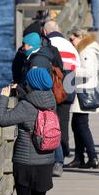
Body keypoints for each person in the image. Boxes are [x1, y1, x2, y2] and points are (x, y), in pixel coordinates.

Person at [0, 69, 58, 195]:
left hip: (25, 161)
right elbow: (33, 98)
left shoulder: (25, 106)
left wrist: (4, 98)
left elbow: (2, 119)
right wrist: (21, 91)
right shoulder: (51, 101)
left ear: (32, 84)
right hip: (46, 161)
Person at [43, 21, 81, 175]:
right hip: (69, 84)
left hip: (54, 85)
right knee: (64, 120)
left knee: (52, 121)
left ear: (45, 32)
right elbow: (77, 67)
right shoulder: (70, 45)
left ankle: (55, 156)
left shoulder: (47, 44)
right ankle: (64, 150)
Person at [66, 28, 99, 170]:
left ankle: (92, 157)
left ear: (80, 37)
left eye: (72, 39)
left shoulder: (86, 51)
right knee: (77, 125)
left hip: (84, 92)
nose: (70, 42)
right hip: (82, 90)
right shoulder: (85, 48)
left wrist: (72, 69)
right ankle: (80, 157)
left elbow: (88, 72)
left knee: (81, 126)